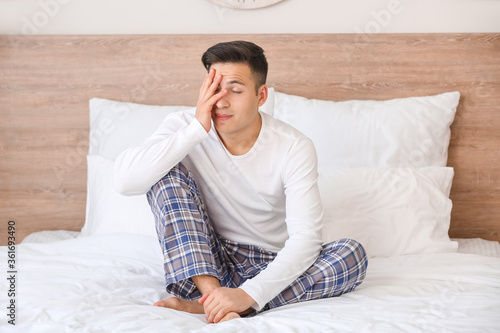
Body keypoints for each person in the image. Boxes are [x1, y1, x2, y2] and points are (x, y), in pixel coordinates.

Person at [114, 40, 368, 324]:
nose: (221, 101)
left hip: (267, 266)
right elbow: (126, 182)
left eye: (235, 90)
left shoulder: (294, 146)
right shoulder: (185, 126)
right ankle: (214, 299)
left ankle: (213, 307)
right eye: (214, 88)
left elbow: (306, 240)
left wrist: (247, 294)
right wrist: (196, 130)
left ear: (261, 96)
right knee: (165, 173)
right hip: (200, 266)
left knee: (351, 254)